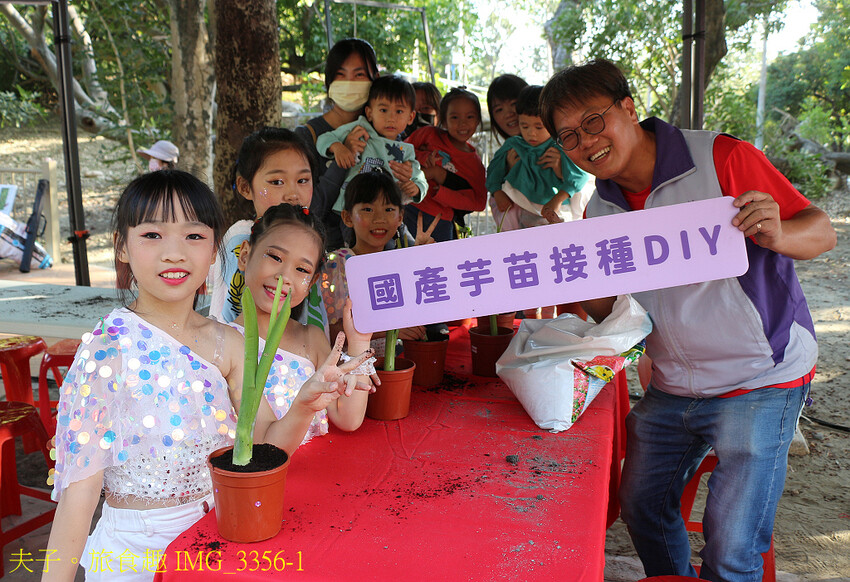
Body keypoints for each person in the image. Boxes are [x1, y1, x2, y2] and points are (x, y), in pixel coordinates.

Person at [539, 58, 836, 581]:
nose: (586, 142)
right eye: (568, 136)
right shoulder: (599, 213)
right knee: (642, 507)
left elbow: (820, 229)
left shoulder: (721, 158)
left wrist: (779, 234)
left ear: (628, 108)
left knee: (731, 550)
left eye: (593, 121)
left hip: (759, 379)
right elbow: (615, 313)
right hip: (675, 386)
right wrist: (581, 291)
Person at [43, 170, 373, 581]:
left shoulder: (229, 343)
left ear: (215, 250)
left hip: (219, 543)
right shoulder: (108, 348)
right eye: (152, 235)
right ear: (121, 247)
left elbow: (268, 445)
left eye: (194, 237)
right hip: (135, 555)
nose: (175, 253)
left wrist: (304, 404)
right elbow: (80, 495)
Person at [233, 203, 373, 438]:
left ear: (312, 282)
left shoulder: (312, 338)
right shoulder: (223, 339)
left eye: (301, 269)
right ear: (245, 255)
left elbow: (348, 419)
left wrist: (359, 341)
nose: (285, 277)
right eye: (275, 257)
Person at [208, 127, 330, 330]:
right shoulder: (241, 239)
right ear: (246, 187)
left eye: (302, 180)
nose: (293, 194)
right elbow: (236, 316)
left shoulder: (311, 239)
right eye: (277, 182)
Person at [321, 170, 432, 357]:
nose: (379, 218)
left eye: (388, 210)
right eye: (367, 209)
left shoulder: (400, 266)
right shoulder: (334, 266)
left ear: (400, 217)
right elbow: (325, 333)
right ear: (347, 217)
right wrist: (387, 330)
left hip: (392, 372)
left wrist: (425, 262)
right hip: (344, 376)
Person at [315, 74, 428, 213]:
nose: (391, 118)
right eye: (383, 110)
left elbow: (421, 180)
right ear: (369, 113)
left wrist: (416, 189)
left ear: (410, 117)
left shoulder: (406, 151)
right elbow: (324, 139)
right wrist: (338, 147)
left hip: (385, 214)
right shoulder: (359, 130)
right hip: (351, 209)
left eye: (399, 111)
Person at [486, 84, 588, 229]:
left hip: (557, 209)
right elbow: (494, 171)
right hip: (522, 206)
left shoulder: (561, 146)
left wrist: (558, 199)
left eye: (538, 127)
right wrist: (497, 192)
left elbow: (579, 176)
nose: (531, 133)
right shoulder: (513, 145)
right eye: (524, 126)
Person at [403, 87, 487, 242]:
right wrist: (423, 157)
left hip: (440, 219)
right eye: (455, 117)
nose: (462, 123)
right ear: (444, 119)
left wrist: (442, 193)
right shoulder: (429, 134)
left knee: (439, 262)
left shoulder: (476, 165)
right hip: (408, 207)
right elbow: (402, 150)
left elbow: (479, 203)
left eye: (469, 117)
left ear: (478, 121)